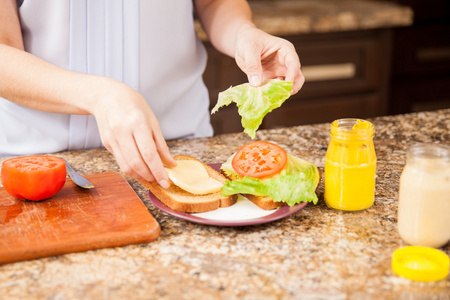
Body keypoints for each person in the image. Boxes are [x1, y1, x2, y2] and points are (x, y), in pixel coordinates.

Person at [0, 0, 305, 188]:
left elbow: (214, 2)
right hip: (40, 165)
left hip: (180, 151)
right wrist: (99, 95)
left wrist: (243, 34)